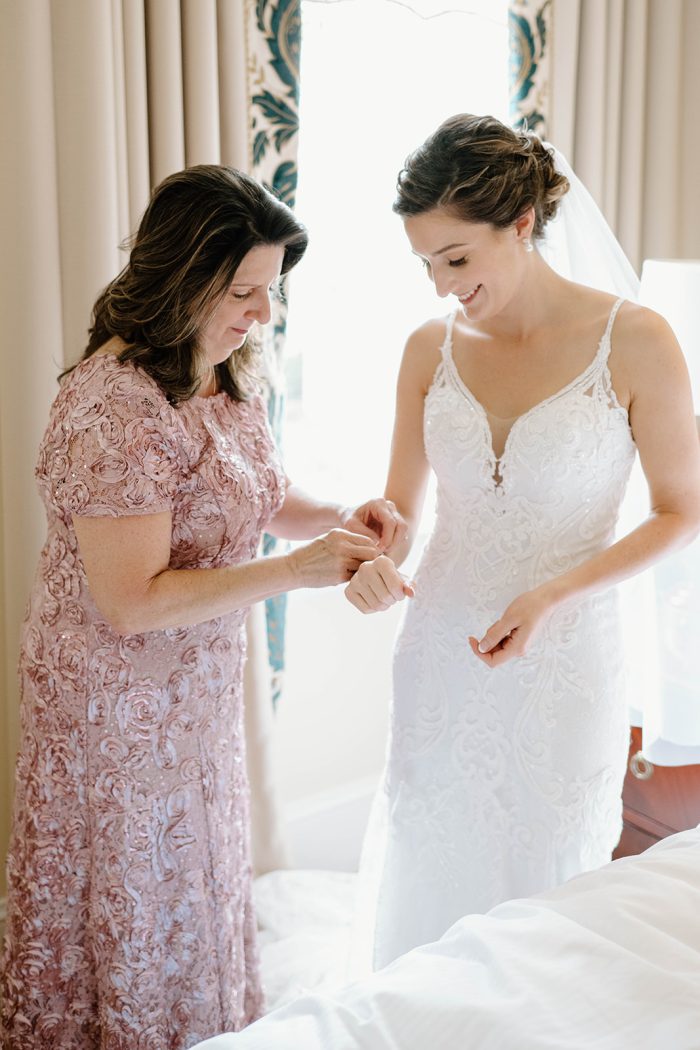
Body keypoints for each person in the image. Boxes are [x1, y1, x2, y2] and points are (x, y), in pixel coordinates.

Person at [0, 164, 405, 1048]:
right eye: (246, 291)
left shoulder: (219, 364)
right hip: (115, 709)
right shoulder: (114, 406)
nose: (265, 313)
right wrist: (297, 571)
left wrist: (343, 512)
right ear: (183, 278)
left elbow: (251, 488)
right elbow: (132, 603)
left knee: (193, 874)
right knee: (133, 892)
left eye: (271, 291)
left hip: (195, 687)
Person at [344, 114, 700, 970]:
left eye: (456, 260)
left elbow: (681, 511)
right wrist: (376, 549)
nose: (439, 287)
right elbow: (400, 509)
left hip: (566, 653)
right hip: (441, 651)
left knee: (546, 878)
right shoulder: (426, 349)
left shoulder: (637, 340)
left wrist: (550, 596)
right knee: (433, 850)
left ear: (523, 225)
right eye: (426, 264)